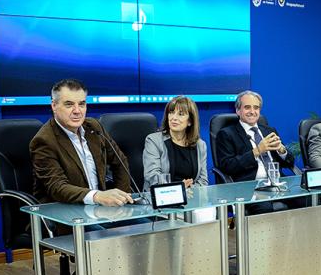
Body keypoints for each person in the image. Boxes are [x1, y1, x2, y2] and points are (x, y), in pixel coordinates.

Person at [31, 78, 133, 207]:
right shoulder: (44, 140)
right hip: (65, 213)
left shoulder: (94, 127)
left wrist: (121, 199)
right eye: (69, 104)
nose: (77, 111)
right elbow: (57, 187)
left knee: (146, 224)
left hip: (101, 208)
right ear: (54, 106)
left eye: (82, 104)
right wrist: (96, 196)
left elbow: (120, 162)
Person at [215, 90, 298, 215]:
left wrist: (282, 150)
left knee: (306, 199)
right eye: (247, 107)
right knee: (264, 208)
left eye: (256, 108)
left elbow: (290, 162)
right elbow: (227, 166)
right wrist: (257, 151)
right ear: (238, 110)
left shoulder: (269, 130)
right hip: (250, 188)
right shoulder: (226, 134)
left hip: (278, 184)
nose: (252, 112)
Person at [143, 95, 209, 191]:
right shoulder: (154, 140)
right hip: (161, 196)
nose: (174, 118)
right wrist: (178, 189)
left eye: (180, 114)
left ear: (190, 121)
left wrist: (188, 190)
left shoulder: (200, 145)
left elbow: (203, 180)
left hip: (190, 197)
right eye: (171, 112)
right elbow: (152, 176)